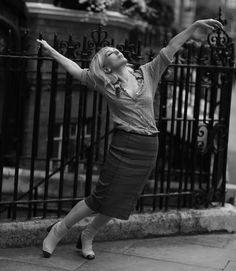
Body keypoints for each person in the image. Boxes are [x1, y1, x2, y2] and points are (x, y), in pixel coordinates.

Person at [37, 19, 223, 260]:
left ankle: (88, 235)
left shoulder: (148, 73)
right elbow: (75, 69)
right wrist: (52, 51)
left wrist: (192, 28)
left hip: (149, 145)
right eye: (110, 53)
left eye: (115, 49)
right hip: (125, 143)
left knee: (122, 200)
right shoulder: (104, 84)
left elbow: (170, 48)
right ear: (105, 68)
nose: (117, 50)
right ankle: (58, 231)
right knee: (101, 197)